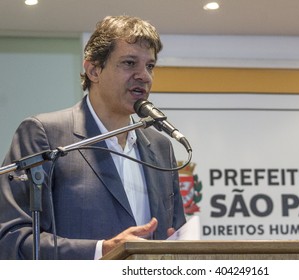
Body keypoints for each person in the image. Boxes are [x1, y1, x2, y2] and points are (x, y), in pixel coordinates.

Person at [0, 15, 186, 260]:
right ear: (94, 70)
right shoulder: (44, 134)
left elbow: (175, 232)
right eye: (130, 63)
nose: (144, 76)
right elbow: (11, 238)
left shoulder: (161, 146)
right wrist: (101, 251)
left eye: (149, 66)